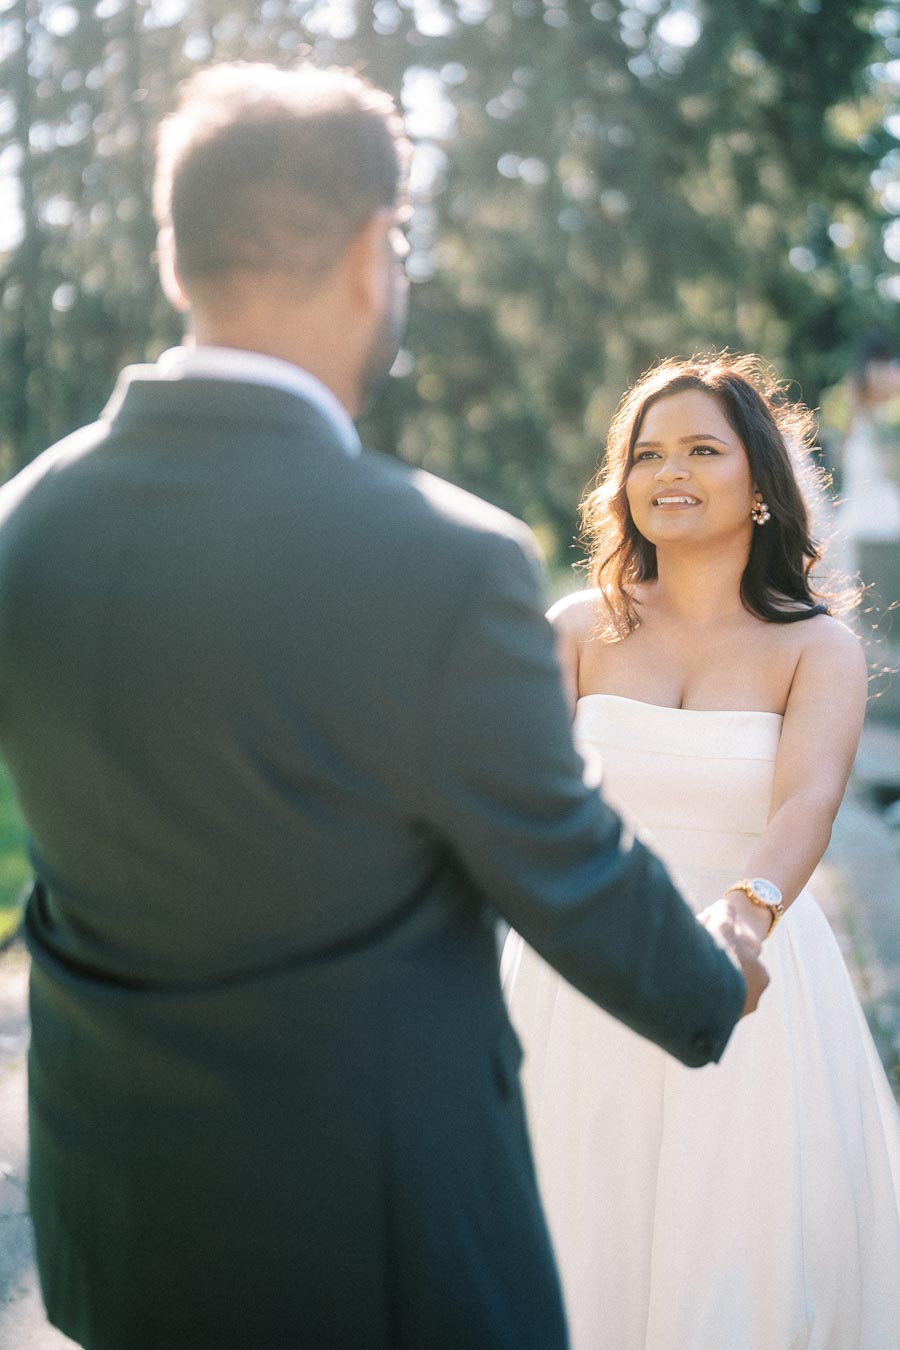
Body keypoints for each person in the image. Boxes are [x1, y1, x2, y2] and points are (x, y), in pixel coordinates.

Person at [0, 66, 766, 1350]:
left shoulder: (26, 526)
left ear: (179, 257)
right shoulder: (444, 559)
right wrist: (713, 979)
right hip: (373, 1245)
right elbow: (564, 861)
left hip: (116, 1218)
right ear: (371, 254)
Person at [503, 352, 900, 1350]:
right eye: (647, 454)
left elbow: (808, 798)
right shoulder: (574, 629)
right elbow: (528, 799)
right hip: (579, 971)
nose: (668, 471)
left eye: (701, 451)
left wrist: (747, 910)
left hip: (749, 972)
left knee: (730, 1262)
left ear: (761, 483)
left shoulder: (817, 647)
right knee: (568, 1241)